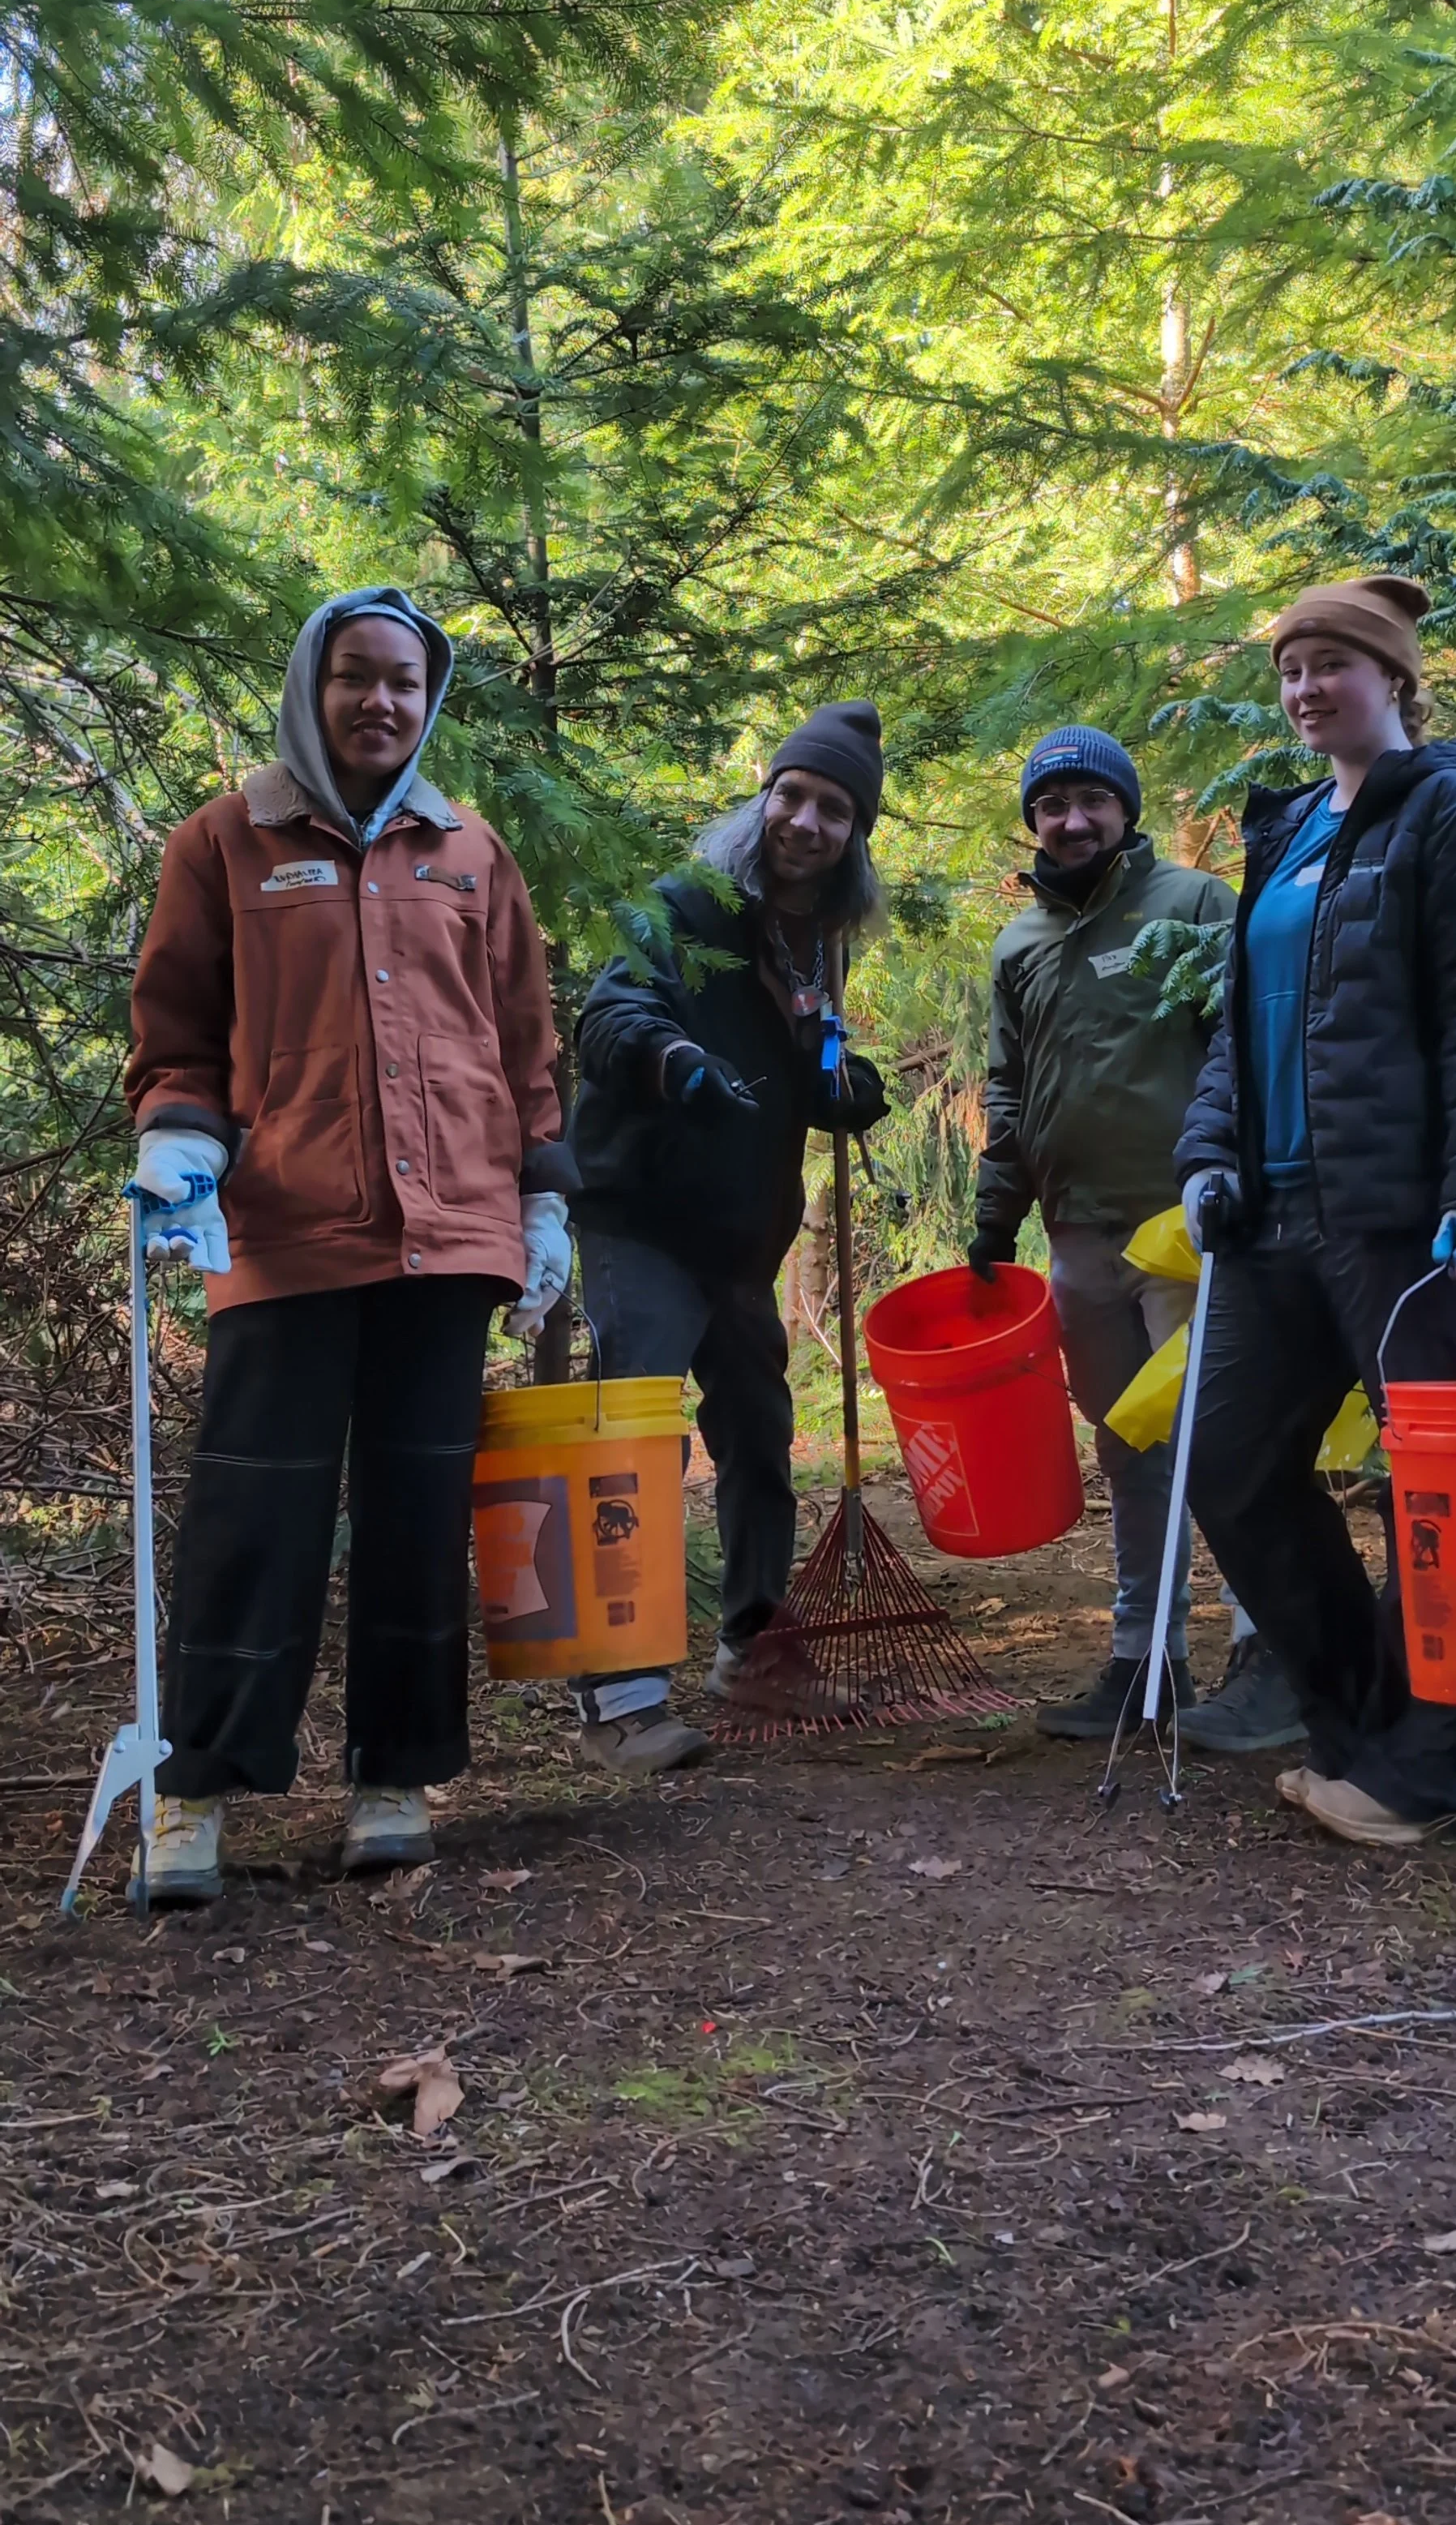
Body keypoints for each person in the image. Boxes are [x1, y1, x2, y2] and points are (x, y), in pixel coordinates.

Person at [125, 588, 576, 1905]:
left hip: (450, 1243)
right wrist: (180, 1144)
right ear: (310, 688)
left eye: (406, 682)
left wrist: (542, 1201)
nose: (383, 701)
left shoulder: (470, 852)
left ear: (430, 702)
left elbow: (524, 1048)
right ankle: (194, 1793)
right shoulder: (229, 840)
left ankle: (395, 1778)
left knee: (418, 1517)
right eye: (357, 678)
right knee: (251, 1518)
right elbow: (178, 1032)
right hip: (283, 1235)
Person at [1176, 574, 1456, 1846]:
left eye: (1331, 664)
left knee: (1443, 1501)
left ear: (1393, 677)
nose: (1303, 690)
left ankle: (1445, 1776)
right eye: (1289, 670)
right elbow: (1242, 1025)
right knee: (1226, 1462)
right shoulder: (1286, 830)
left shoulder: (1454, 811)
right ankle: (1363, 1734)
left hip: (1412, 1219)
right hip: (1276, 1217)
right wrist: (1209, 1152)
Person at [567, 701, 889, 1765]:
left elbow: (810, 1058)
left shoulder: (819, 945)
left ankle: (754, 1644)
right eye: (792, 796)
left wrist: (840, 1083)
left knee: (757, 1433)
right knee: (635, 1442)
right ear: (762, 803)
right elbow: (607, 1015)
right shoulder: (683, 905)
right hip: (642, 1215)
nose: (806, 820)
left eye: (833, 810)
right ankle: (619, 1694)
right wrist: (674, 1063)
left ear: (854, 836)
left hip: (741, 1237)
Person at [966, 727, 1295, 1747]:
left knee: (1219, 1440)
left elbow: (1251, 1044)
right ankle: (1144, 1659)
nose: (1071, 820)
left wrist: (1244, 1176)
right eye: (1052, 803)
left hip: (1187, 1224)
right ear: (1034, 821)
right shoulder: (1019, 943)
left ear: (1126, 810)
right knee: (1128, 1448)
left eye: (1091, 801)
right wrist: (994, 1210)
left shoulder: (1193, 905)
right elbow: (1010, 1086)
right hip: (1079, 1235)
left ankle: (1268, 1650)